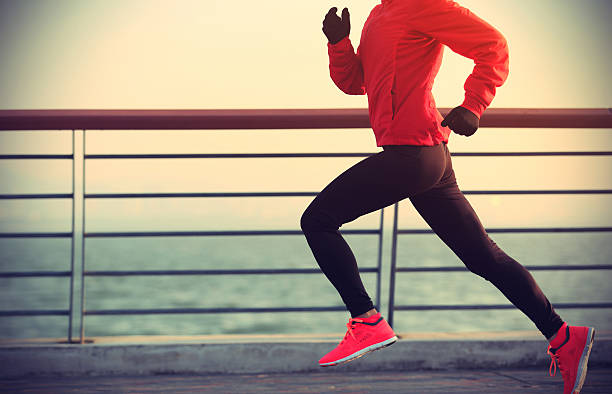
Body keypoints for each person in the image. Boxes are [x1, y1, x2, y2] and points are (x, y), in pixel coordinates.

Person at [300, 1, 595, 392]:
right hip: (426, 154)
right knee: (482, 256)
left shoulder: (426, 5)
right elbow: (359, 82)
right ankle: (563, 337)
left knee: (317, 221)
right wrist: (340, 45)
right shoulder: (379, 13)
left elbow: (493, 45)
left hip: (413, 154)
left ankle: (366, 320)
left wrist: (474, 105)